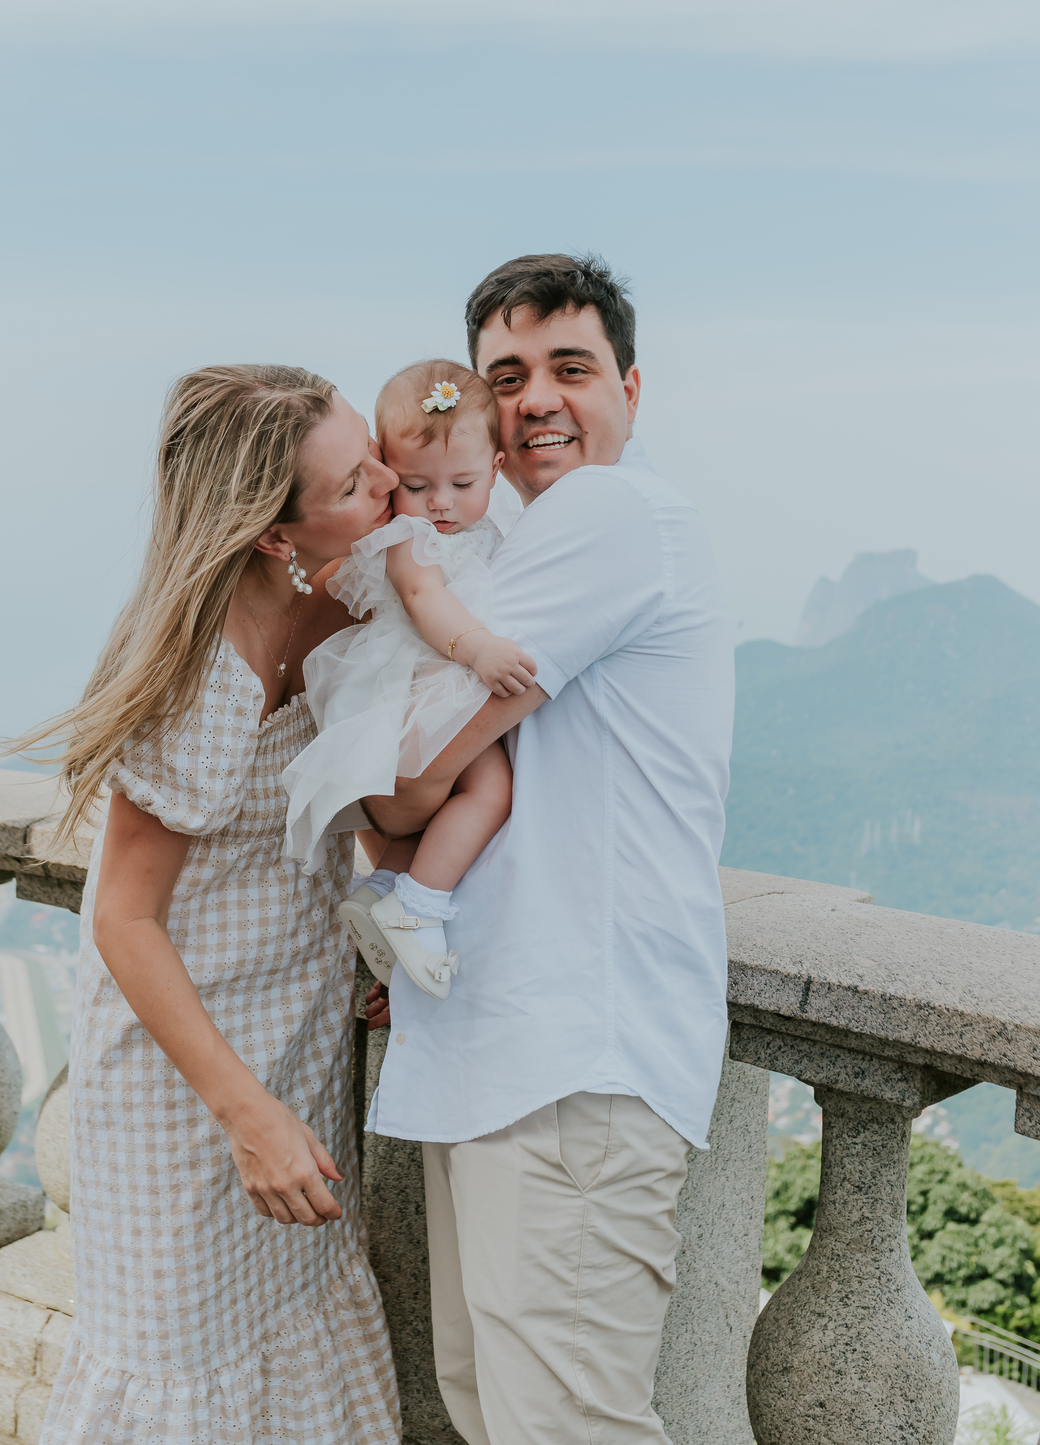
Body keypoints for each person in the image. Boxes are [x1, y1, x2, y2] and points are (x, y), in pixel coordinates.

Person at [362, 254, 735, 1445]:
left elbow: (410, 774)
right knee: (501, 1413)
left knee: (560, 1424)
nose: (535, 400)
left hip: (572, 1060)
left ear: (631, 388)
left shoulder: (606, 512)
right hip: (517, 1049)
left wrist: (375, 815)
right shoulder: (517, 542)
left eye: (570, 368)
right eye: (506, 376)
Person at [20, 365, 402, 1444]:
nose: (388, 484)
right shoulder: (202, 677)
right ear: (275, 534)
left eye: (373, 455)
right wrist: (248, 1119)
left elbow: (352, 806)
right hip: (185, 1090)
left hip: (298, 1044)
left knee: (293, 1324)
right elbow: (123, 919)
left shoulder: (345, 604)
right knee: (177, 1365)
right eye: (354, 481)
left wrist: (383, 941)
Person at [281, 358, 535, 998]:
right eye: (417, 485)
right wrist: (475, 647)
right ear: (390, 473)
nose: (440, 503)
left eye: (462, 483)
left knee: (447, 804)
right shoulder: (408, 536)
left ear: (495, 469)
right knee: (491, 789)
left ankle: (384, 887)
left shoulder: (484, 528)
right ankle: (419, 904)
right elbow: (423, 597)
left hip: (436, 677)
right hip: (422, 675)